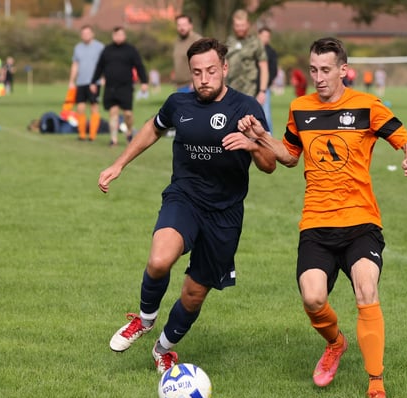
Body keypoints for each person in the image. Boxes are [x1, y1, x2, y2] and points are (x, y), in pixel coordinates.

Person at [237, 37, 407, 398]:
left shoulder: (368, 106)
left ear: (343, 70)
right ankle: (335, 343)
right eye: (313, 70)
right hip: (316, 224)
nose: (318, 77)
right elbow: (289, 156)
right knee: (312, 298)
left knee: (367, 291)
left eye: (325, 70)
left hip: (361, 222)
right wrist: (260, 138)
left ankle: (376, 382)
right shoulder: (300, 108)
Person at [100, 38, 276, 374]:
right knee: (159, 259)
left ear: (224, 68)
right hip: (185, 197)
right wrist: (119, 163)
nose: (204, 78)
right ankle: (145, 319)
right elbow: (153, 127)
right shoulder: (178, 103)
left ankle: (163, 348)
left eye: (211, 71)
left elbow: (270, 165)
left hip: (225, 212)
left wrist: (253, 146)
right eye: (197, 73)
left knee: (194, 295)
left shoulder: (247, 108)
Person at [90, 26, 148, 146]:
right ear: (113, 36)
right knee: (113, 112)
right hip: (111, 87)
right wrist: (93, 81)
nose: (118, 37)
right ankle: (113, 139)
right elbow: (99, 67)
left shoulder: (131, 50)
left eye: (121, 35)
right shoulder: (107, 50)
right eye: (116, 35)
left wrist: (144, 82)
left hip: (125, 87)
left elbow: (139, 66)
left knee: (128, 114)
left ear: (124, 36)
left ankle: (129, 132)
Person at [69, 25, 105, 142]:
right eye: (83, 33)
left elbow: (104, 64)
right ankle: (82, 134)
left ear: (92, 34)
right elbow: (75, 65)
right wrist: (71, 81)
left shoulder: (100, 47)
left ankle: (92, 135)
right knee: (80, 108)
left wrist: (103, 78)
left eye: (88, 33)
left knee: (94, 107)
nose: (86, 35)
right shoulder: (78, 48)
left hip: (94, 83)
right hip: (81, 82)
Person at [226, 9, 268, 106]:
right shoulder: (228, 42)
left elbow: (264, 66)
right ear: (233, 26)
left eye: (242, 25)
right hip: (231, 90)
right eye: (237, 26)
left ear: (248, 24)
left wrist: (262, 91)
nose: (240, 28)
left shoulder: (256, 42)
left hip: (250, 91)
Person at [172, 14, 202, 93]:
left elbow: (203, 63)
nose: (181, 28)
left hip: (192, 86)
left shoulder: (197, 41)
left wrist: (196, 81)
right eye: (179, 25)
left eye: (184, 25)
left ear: (190, 25)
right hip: (179, 86)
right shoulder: (177, 41)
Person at [257, 26, 278, 133]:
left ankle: (269, 139)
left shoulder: (271, 52)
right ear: (258, 35)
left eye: (267, 36)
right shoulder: (253, 50)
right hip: (251, 87)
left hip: (265, 89)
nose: (265, 38)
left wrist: (264, 86)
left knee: (266, 115)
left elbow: (273, 71)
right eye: (263, 35)